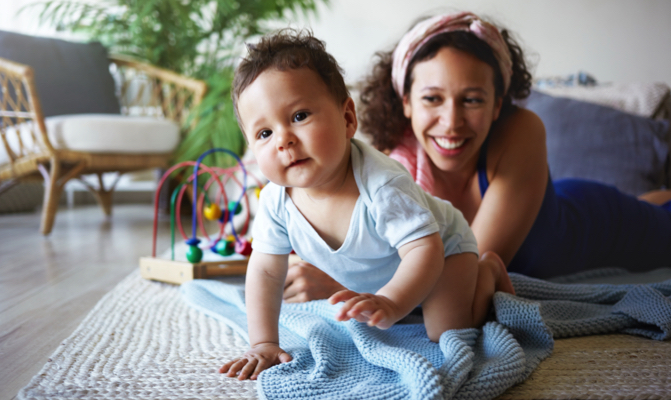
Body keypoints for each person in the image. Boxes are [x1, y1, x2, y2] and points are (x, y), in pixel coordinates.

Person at [282, 11, 671, 303]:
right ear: (406, 102)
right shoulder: (388, 171)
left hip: (597, 222)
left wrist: (343, 287)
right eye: (432, 98)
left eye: (471, 100)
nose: (451, 123)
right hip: (555, 201)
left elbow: (462, 275)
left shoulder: (522, 131)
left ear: (498, 103)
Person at [219, 29, 515, 381]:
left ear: (347, 118)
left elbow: (425, 250)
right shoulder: (274, 200)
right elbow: (266, 271)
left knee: (445, 330)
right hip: (390, 268)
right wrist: (264, 342)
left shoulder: (382, 184)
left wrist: (391, 301)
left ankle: (486, 271)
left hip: (444, 249)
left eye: (299, 116)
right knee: (403, 312)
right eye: (264, 133)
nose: (284, 140)